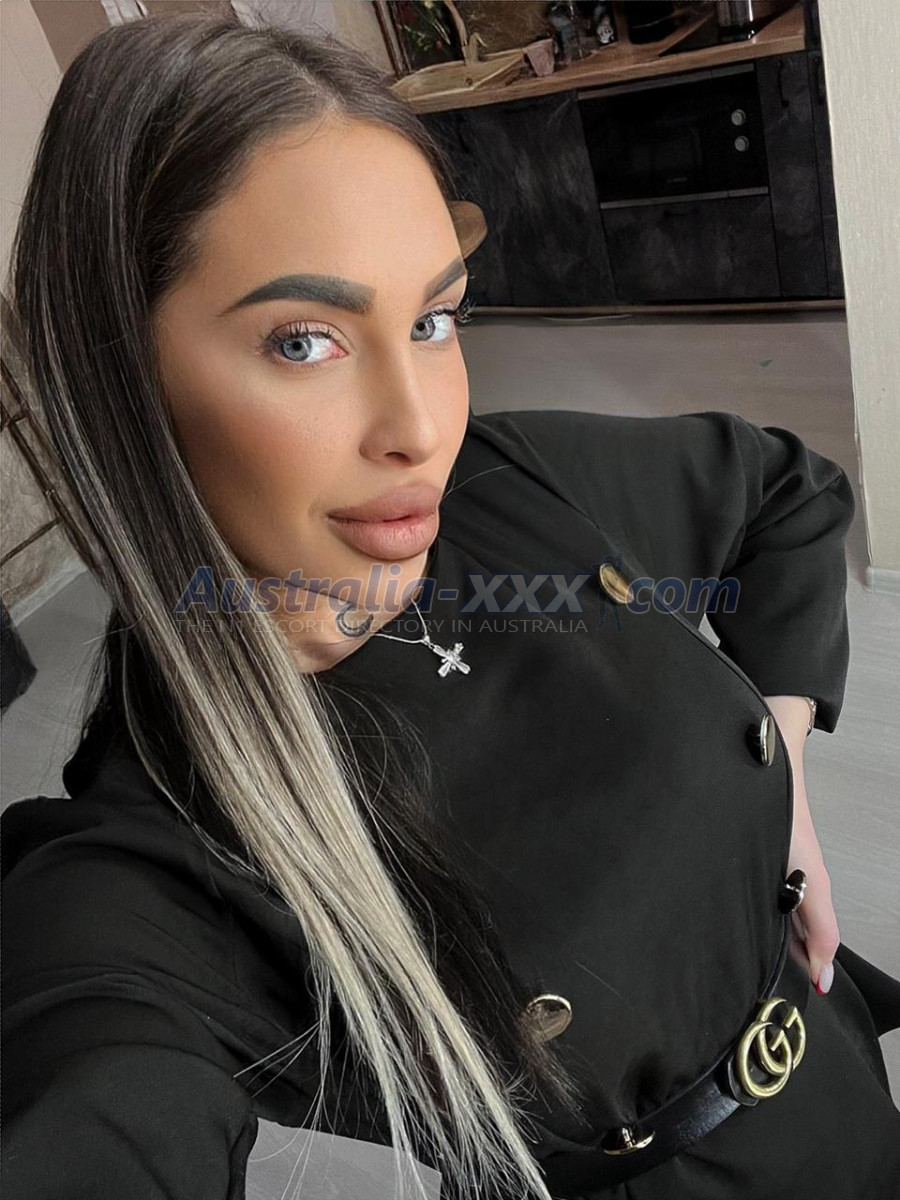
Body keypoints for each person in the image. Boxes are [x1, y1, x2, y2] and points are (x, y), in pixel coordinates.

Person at [2, 11, 899, 1200]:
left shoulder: (506, 484)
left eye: (432, 320)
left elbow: (786, 496)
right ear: (125, 381)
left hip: (839, 1071)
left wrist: (782, 789)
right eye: (305, 341)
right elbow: (89, 1087)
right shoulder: (159, 846)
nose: (421, 430)